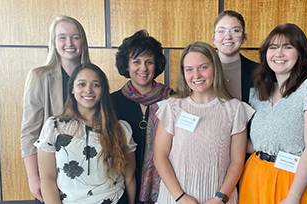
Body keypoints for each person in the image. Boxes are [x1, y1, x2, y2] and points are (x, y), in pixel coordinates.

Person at [239, 23, 307, 204]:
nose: (279, 54)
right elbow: (254, 144)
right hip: (253, 172)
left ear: (300, 52)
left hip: (291, 179)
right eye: (273, 48)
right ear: (266, 54)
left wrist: (293, 197)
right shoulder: (261, 92)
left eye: (287, 47)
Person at [153, 42, 255, 204]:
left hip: (219, 197)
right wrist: (180, 197)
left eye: (203, 67)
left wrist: (220, 198)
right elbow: (160, 157)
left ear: (215, 68)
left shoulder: (235, 110)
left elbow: (237, 161)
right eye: (189, 69)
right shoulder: (173, 107)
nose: (196, 75)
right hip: (176, 197)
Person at [35, 63, 136, 204]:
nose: (88, 90)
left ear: (103, 91)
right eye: (82, 84)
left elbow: (129, 178)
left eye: (96, 85)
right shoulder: (54, 127)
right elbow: (48, 179)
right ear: (72, 89)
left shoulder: (121, 129)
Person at [20, 15, 91, 203]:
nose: (69, 43)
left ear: (83, 41)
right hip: (52, 174)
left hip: (87, 174)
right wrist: (34, 178)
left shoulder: (93, 76)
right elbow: (28, 133)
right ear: (54, 42)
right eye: (62, 37)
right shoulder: (39, 76)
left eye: (75, 37)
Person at [111, 29, 174, 203]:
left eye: (149, 62)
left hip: (165, 184)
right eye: (136, 61)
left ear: (157, 65)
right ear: (126, 65)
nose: (143, 68)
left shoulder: (172, 99)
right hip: (122, 184)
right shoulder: (112, 102)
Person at [213, 10, 258, 103]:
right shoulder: (201, 71)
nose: (228, 36)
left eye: (235, 30)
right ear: (214, 38)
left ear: (244, 37)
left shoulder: (259, 71)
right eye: (221, 31)